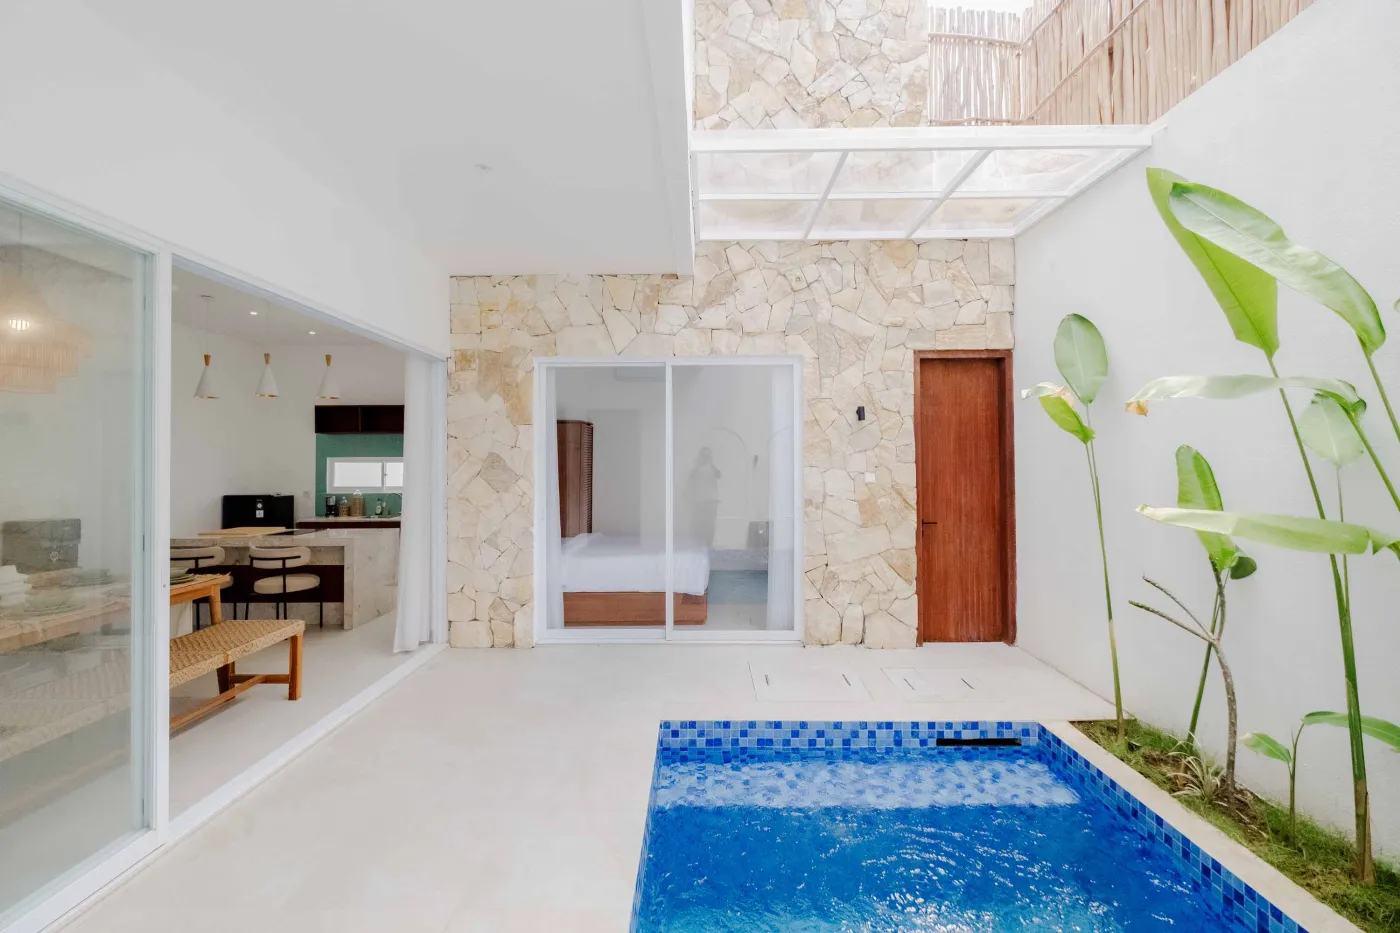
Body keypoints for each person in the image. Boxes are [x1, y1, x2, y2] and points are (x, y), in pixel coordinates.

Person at [686, 447, 721, 548]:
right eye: (704, 455)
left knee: (710, 524)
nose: (706, 457)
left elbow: (718, 474)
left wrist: (711, 463)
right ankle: (699, 544)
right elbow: (690, 480)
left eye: (708, 455)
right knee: (699, 523)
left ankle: (709, 544)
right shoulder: (697, 469)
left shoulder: (712, 468)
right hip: (700, 502)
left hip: (712, 501)